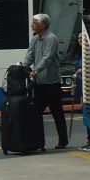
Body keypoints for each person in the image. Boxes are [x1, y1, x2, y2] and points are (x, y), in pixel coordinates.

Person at [22, 13, 69, 149]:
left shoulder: (51, 38)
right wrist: (23, 67)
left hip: (52, 82)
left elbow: (47, 58)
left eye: (34, 23)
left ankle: (63, 140)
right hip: (39, 83)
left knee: (57, 113)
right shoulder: (35, 39)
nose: (32, 25)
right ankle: (35, 141)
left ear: (42, 26)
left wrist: (36, 70)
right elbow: (29, 55)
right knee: (35, 112)